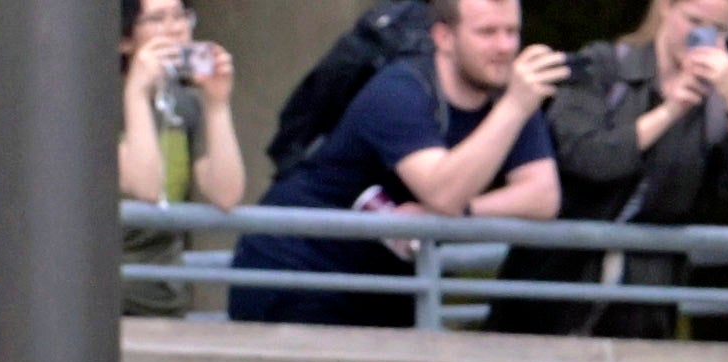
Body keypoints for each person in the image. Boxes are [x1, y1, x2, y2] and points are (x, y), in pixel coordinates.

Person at [230, 0, 557, 323]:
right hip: (298, 268)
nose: (504, 47)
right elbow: (443, 192)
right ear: (443, 37)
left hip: (387, 280)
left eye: (512, 32)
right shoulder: (400, 89)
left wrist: (464, 211)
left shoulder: (511, 97)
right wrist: (514, 107)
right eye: (487, 33)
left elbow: (542, 195)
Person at [526, 0, 728, 336]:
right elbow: (587, 157)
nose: (702, 37)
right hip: (557, 287)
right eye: (694, 21)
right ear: (664, 9)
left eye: (719, 30)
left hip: (645, 303)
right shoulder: (603, 67)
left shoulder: (716, 103)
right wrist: (670, 111)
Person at [116, 0, 239, 312]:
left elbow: (225, 194)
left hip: (167, 290)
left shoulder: (185, 103)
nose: (175, 28)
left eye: (180, 15)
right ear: (125, 39)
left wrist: (217, 104)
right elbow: (146, 190)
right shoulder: (97, 99)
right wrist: (136, 92)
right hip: (107, 293)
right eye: (157, 19)